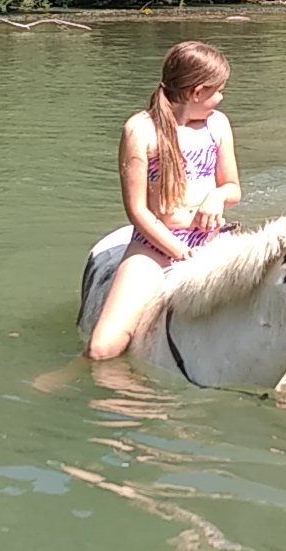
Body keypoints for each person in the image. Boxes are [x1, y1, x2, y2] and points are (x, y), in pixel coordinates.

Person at [86, 40, 241, 361]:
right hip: (155, 248)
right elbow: (137, 211)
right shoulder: (140, 131)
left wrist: (217, 197)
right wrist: (180, 253)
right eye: (218, 91)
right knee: (103, 347)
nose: (222, 98)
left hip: (213, 240)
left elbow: (233, 188)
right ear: (197, 92)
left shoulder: (218, 124)